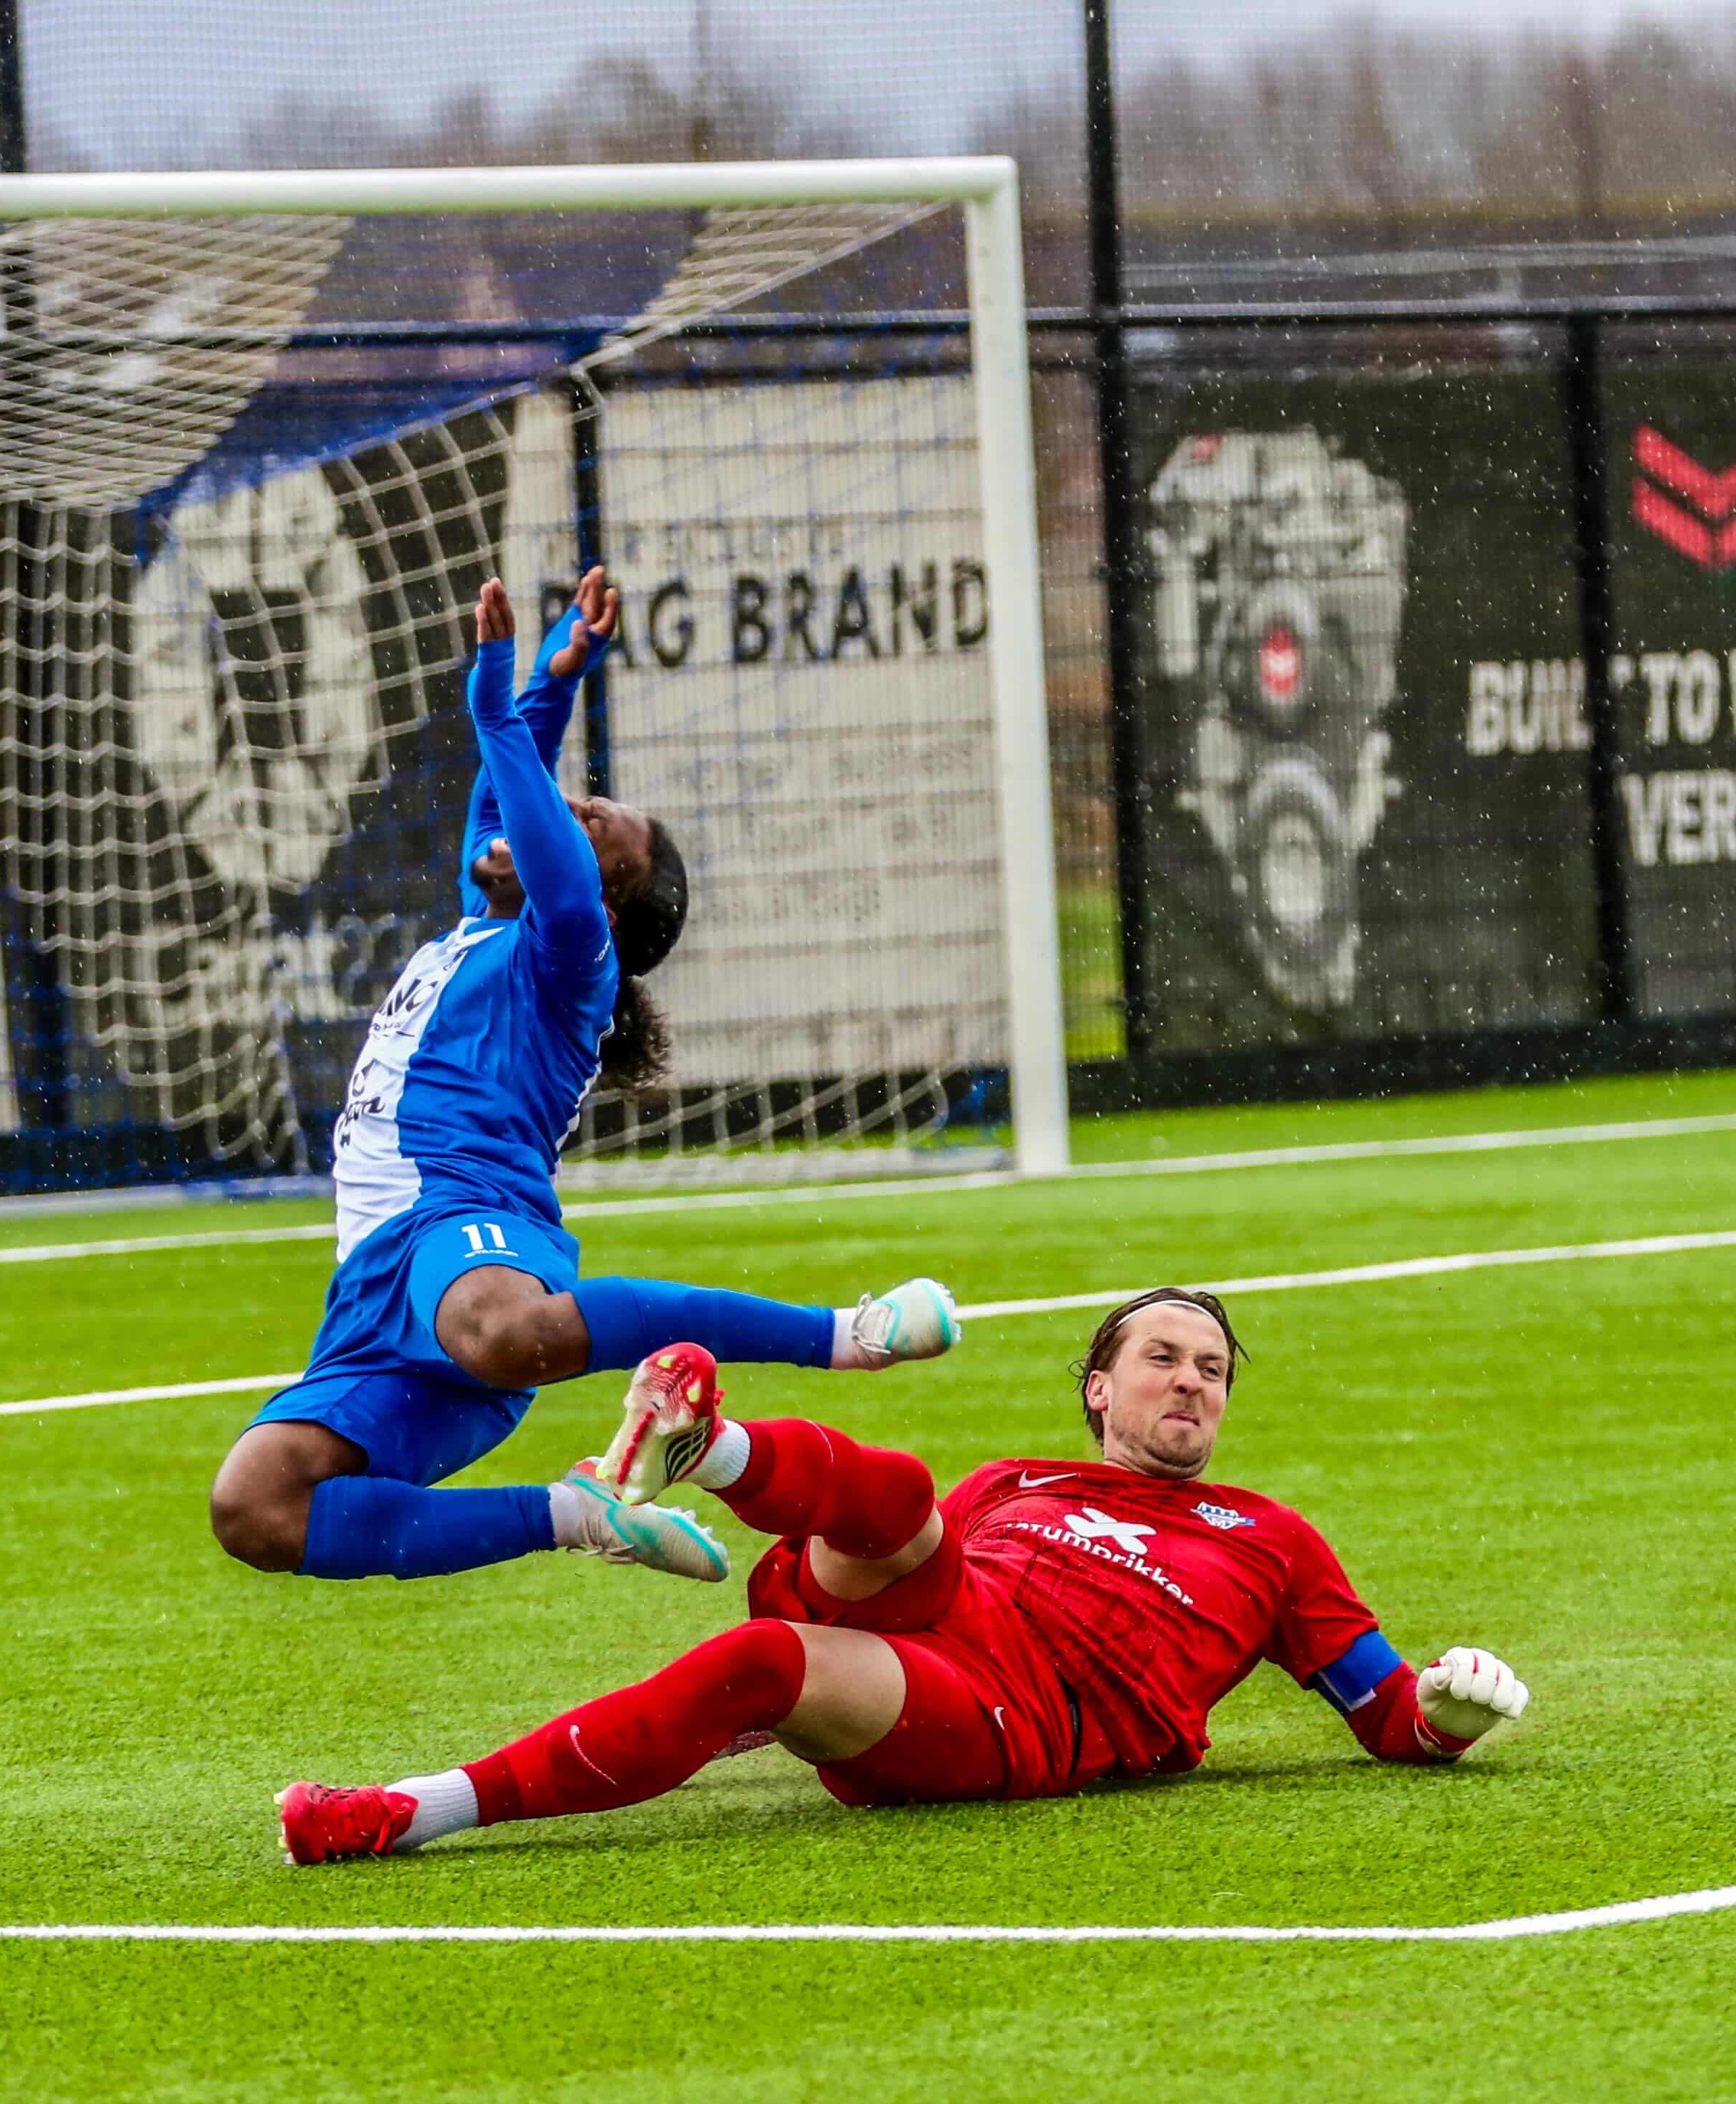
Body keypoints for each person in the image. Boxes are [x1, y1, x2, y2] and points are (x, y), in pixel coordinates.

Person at [210, 567, 959, 1594]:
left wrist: (494, 707)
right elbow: (505, 817)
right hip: (379, 1280)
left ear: (597, 890)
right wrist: (559, 667)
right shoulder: (494, 918)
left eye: (590, 819)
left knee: (503, 1328)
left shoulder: (572, 958)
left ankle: (849, 1336)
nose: (560, 807)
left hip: (470, 1236)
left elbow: (545, 854)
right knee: (255, 1505)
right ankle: (577, 1511)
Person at [276, 1287, 1531, 1861]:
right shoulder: (1021, 1481)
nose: (1192, 1380)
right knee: (914, 1503)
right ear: (1102, 1386)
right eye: (1165, 1356)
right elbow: (829, 1575)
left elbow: (1382, 1708)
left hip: (1028, 1714)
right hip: (943, 1613)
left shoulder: (1271, 1536)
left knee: (766, 1663)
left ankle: (411, 1805)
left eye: (1213, 1367)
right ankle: (710, 1445)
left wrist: (1445, 1711)